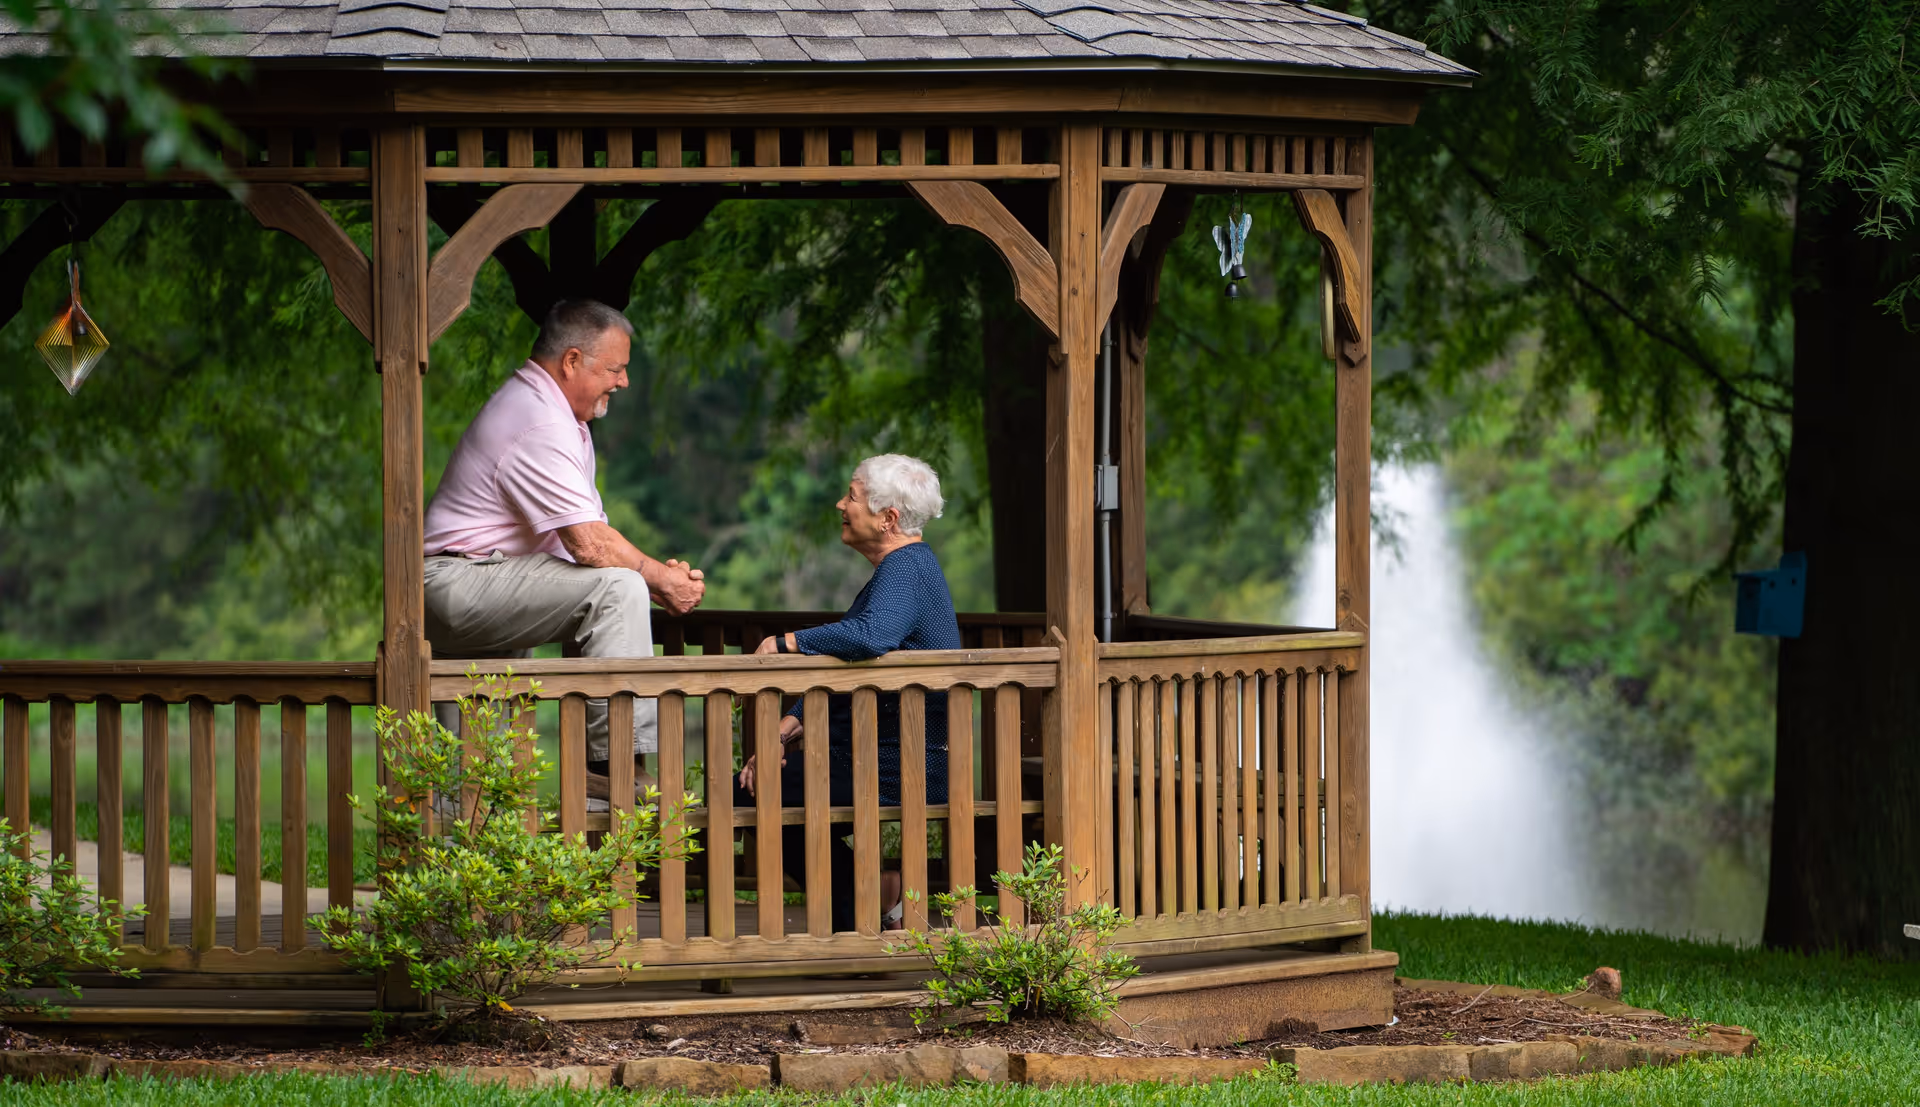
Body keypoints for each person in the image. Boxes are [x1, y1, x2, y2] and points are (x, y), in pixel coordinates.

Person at [421, 299, 705, 800]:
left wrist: (659, 574)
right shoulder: (540, 421)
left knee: (476, 776)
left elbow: (590, 536)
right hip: (457, 582)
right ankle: (615, 766)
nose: (624, 382)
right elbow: (592, 548)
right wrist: (659, 578)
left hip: (478, 581)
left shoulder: (552, 414)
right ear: (572, 361)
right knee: (618, 590)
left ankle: (452, 848)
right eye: (615, 369)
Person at [736, 454, 961, 933]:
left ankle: (864, 915)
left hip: (897, 764)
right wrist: (786, 727)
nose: (842, 503)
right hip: (865, 757)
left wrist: (788, 642)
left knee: (761, 792)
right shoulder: (902, 570)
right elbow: (850, 666)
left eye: (853, 496)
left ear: (889, 518)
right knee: (762, 788)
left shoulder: (907, 568)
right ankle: (872, 900)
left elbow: (870, 635)